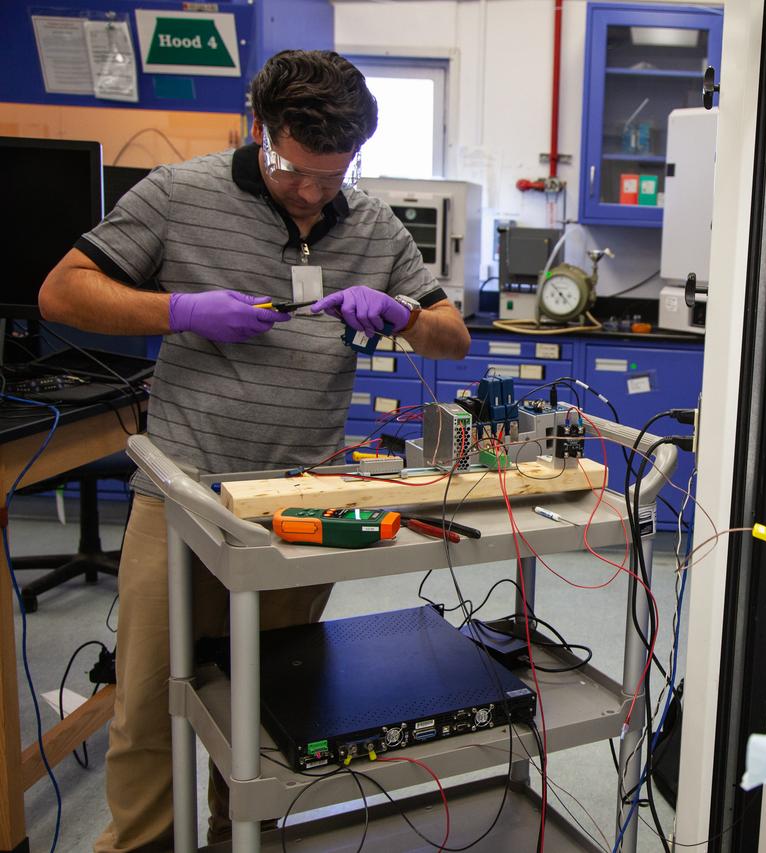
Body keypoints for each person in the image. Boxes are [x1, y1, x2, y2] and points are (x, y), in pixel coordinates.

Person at [38, 49, 470, 851]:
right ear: (257, 128)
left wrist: (404, 315)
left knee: (270, 707)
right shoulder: (179, 192)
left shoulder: (373, 225)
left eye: (332, 174)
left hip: (301, 508)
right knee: (150, 704)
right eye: (291, 168)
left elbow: (453, 335)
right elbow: (61, 292)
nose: (310, 192)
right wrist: (179, 310)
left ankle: (240, 838)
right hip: (182, 497)